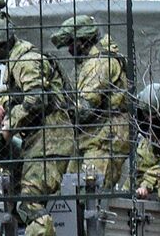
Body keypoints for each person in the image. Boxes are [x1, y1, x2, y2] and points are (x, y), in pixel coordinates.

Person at [0, 18, 73, 236]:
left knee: (31, 201)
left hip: (51, 138)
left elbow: (36, 100)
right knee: (26, 202)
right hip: (39, 138)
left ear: (2, 45)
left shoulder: (27, 60)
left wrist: (9, 125)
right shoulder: (16, 63)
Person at [51, 14, 132, 188]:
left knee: (89, 193)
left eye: (71, 44)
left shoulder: (99, 63)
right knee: (68, 188)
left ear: (83, 40)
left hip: (106, 139)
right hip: (90, 137)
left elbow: (84, 109)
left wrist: (55, 104)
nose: (69, 49)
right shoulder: (87, 63)